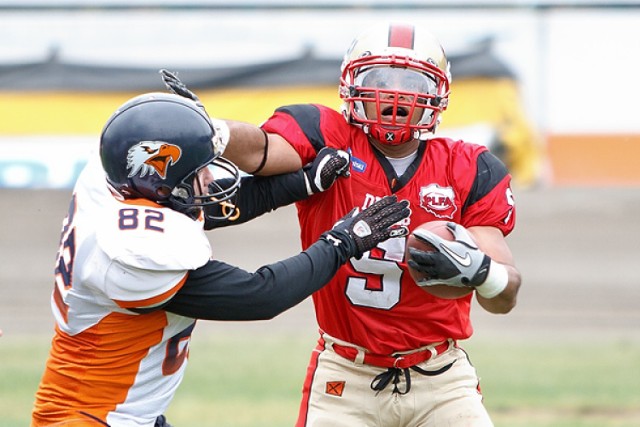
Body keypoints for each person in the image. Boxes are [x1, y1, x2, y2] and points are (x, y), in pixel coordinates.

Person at [166, 22, 522, 426]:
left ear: (436, 94)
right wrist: (212, 133)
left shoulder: (470, 167)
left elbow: (503, 297)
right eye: (380, 79)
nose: (395, 95)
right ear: (352, 84)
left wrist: (482, 272)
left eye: (412, 82)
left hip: (441, 376)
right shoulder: (326, 134)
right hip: (346, 376)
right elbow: (263, 150)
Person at [31, 92, 411, 426]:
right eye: (200, 170)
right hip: (93, 418)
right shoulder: (130, 254)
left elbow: (206, 208)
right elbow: (261, 295)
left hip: (120, 413)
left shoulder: (120, 186)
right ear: (160, 180)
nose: (212, 178)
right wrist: (342, 242)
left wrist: (304, 183)